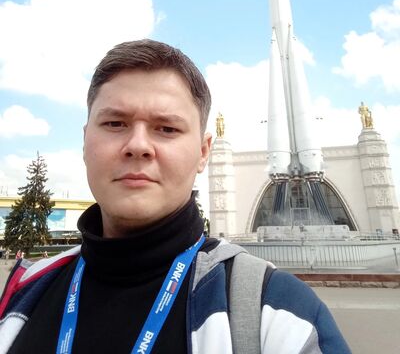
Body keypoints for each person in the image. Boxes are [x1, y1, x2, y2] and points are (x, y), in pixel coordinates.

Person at [0, 39, 350, 354]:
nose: (138, 145)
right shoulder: (26, 290)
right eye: (115, 123)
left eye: (166, 128)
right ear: (84, 140)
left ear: (203, 152)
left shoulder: (275, 313)